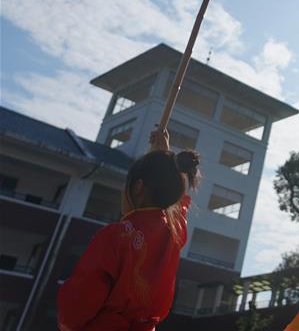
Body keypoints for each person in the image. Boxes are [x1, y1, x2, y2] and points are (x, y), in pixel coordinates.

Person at [57, 127, 199, 331]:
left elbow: (78, 303)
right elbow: (179, 206)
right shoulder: (173, 233)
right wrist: (163, 160)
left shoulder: (115, 235)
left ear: (138, 187)